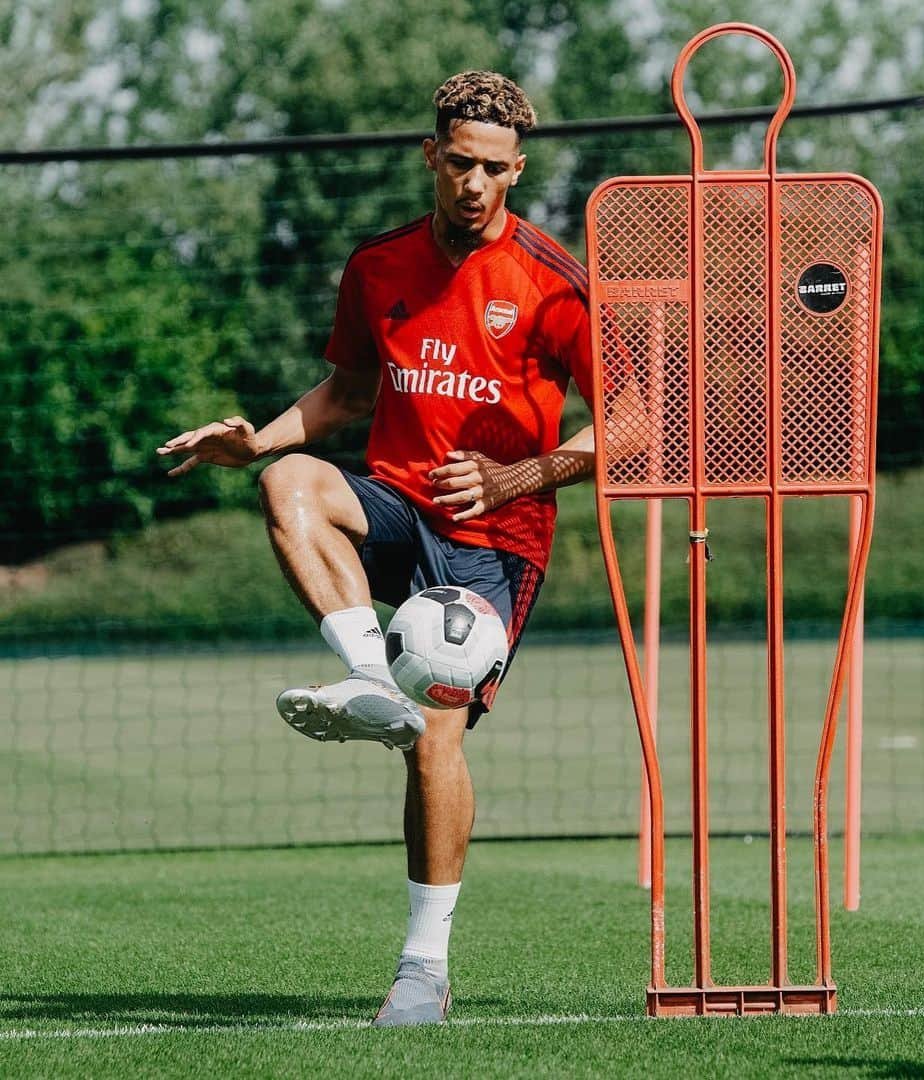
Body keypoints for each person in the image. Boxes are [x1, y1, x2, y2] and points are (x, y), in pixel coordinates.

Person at [156, 70, 596, 1027]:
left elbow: (632, 426)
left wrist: (516, 477)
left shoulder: (553, 282)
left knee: (435, 745)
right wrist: (259, 439)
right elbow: (348, 393)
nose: (474, 183)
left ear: (516, 171)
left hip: (494, 541)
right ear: (430, 157)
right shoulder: (379, 266)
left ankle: (422, 971)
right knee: (288, 482)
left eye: (493, 168)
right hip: (396, 505)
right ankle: (372, 677)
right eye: (459, 163)